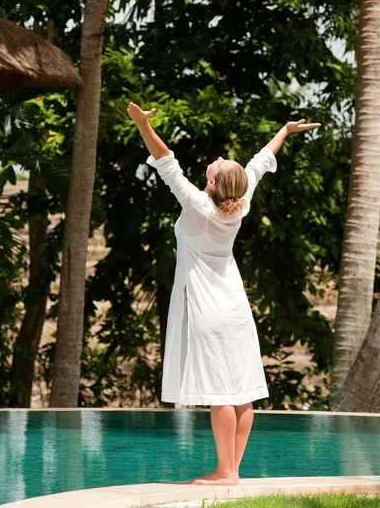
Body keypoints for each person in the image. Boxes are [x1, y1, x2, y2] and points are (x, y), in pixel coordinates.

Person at [127, 101, 321, 486]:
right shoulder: (240, 203)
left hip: (209, 310)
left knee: (221, 393)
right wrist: (283, 131)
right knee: (241, 391)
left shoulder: (199, 204)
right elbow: (260, 163)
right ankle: (232, 469)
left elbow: (165, 159)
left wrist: (141, 125)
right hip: (235, 307)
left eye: (216, 166)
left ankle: (226, 472)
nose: (216, 160)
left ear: (212, 183)